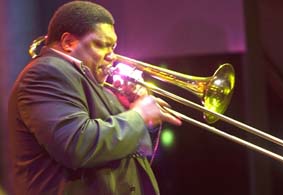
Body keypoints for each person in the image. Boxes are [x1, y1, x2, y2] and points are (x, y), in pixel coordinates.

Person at [8, 1, 181, 195]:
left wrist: (142, 116)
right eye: (101, 44)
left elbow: (131, 155)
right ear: (68, 42)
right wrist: (139, 115)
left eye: (113, 46)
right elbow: (76, 145)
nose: (112, 56)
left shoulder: (92, 83)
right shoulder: (46, 72)